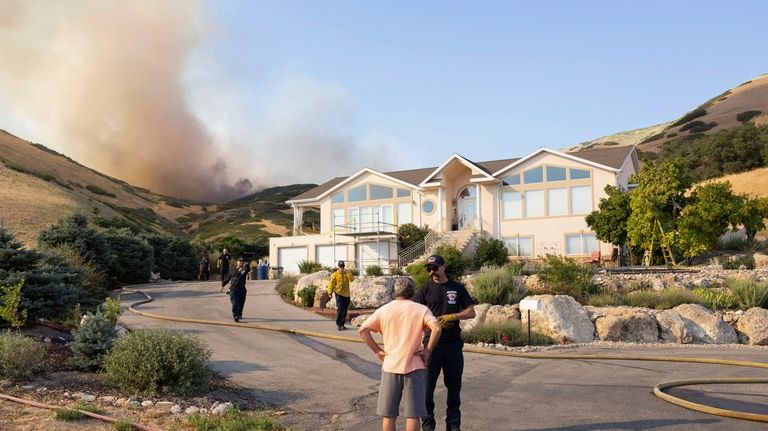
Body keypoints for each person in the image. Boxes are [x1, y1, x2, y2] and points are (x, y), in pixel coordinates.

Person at [359, 277, 442, 431]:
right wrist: (428, 351)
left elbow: (363, 330)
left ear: (395, 291)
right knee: (413, 415)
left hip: (391, 365)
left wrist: (378, 351)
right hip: (414, 366)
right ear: (413, 291)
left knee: (389, 415)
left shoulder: (384, 310)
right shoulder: (421, 309)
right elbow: (436, 328)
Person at [414, 255, 476, 431]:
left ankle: (453, 425)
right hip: (431, 346)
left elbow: (471, 312)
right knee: (427, 390)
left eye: (435, 268)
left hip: (453, 345)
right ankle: (428, 425)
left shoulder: (457, 288)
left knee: (454, 388)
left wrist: (453, 316)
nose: (432, 272)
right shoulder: (424, 290)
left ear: (444, 267)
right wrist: (429, 323)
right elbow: (414, 315)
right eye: (429, 269)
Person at [327, 260, 355, 330]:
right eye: (340, 266)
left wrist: (348, 273)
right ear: (338, 267)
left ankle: (342, 324)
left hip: (346, 294)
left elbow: (352, 279)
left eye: (342, 266)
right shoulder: (335, 275)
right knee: (340, 309)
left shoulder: (347, 273)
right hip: (338, 293)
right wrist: (330, 292)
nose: (341, 268)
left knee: (345, 310)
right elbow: (331, 284)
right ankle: (339, 324)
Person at [222, 257, 250, 322]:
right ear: (237, 262)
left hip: (242, 289)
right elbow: (227, 278)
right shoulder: (232, 269)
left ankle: (239, 313)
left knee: (241, 303)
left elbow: (247, 269)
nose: (240, 262)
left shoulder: (244, 270)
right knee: (234, 302)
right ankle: (235, 316)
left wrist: (247, 264)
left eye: (242, 261)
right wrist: (223, 285)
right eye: (239, 261)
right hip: (233, 289)